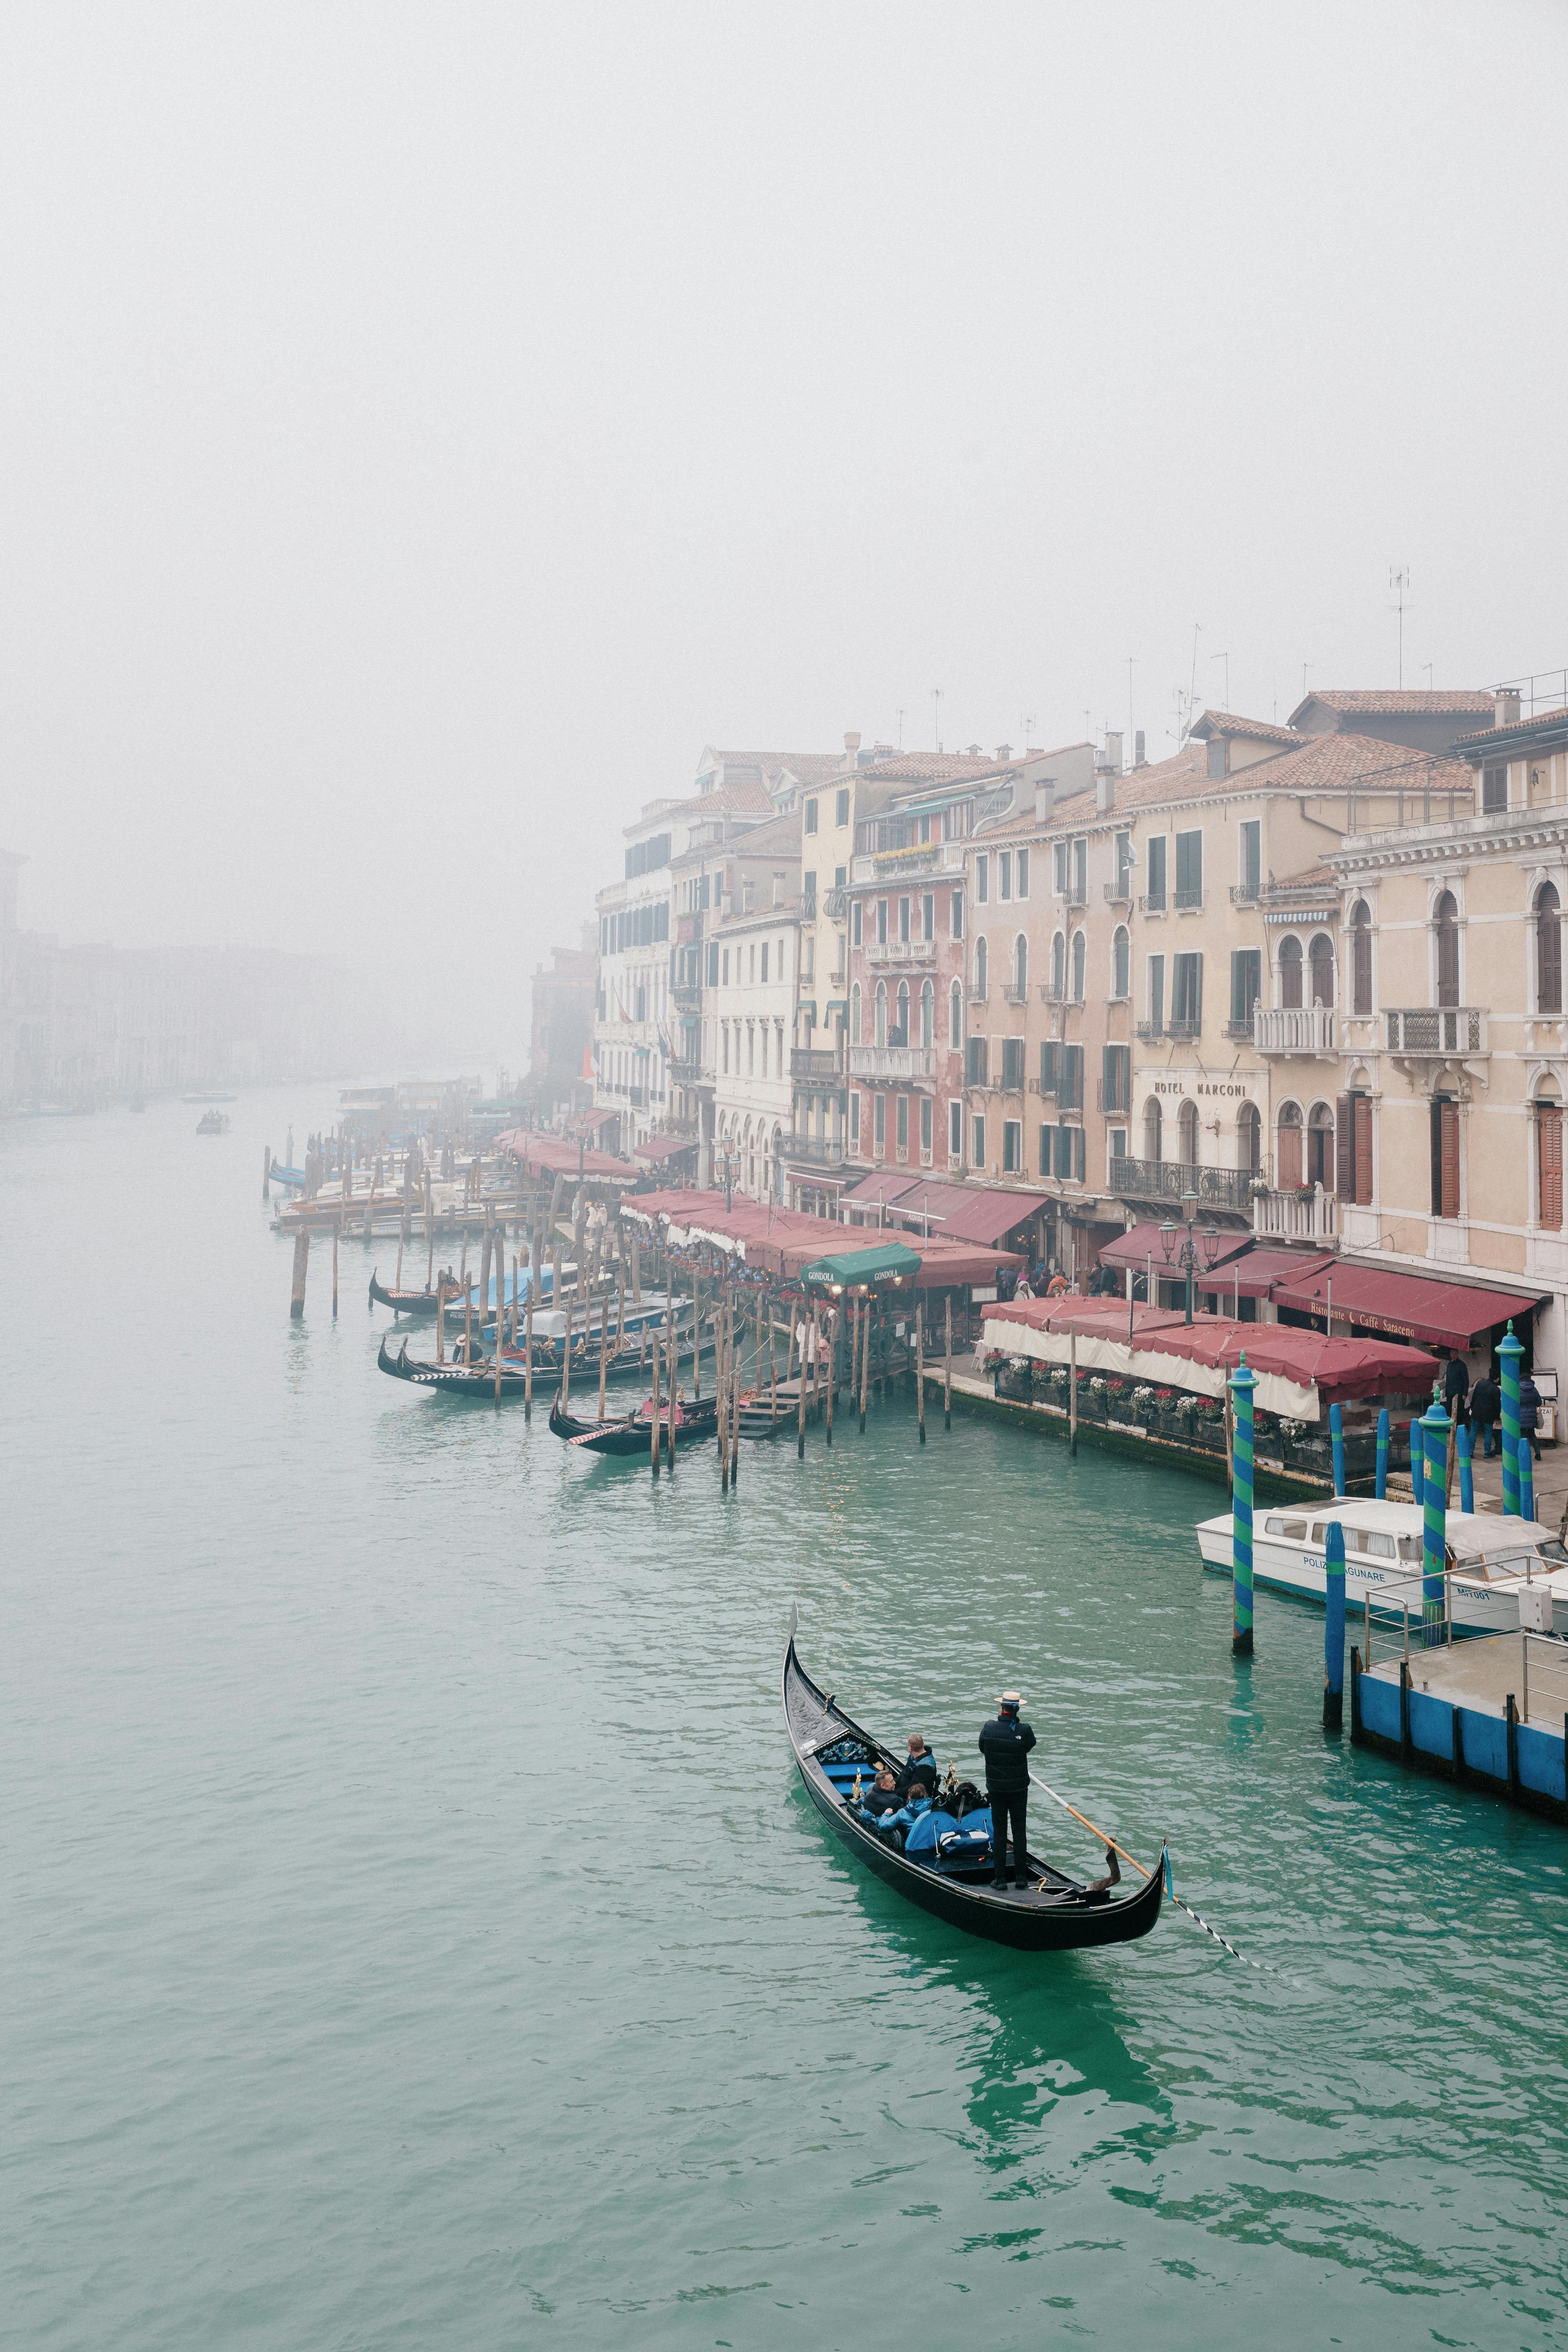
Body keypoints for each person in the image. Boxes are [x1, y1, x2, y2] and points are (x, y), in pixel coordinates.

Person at [978, 1689, 1036, 1890]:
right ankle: (1021, 1878)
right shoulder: (1024, 1730)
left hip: (997, 1790)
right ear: (1017, 1708)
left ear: (1001, 1707)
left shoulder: (989, 1728)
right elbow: (1029, 1746)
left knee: (1001, 1833)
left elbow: (982, 1748)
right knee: (1020, 1833)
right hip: (1019, 1789)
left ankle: (1000, 1879)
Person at [896, 1734, 939, 1800]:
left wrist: (894, 1792)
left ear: (910, 1748)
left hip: (912, 1798)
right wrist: (893, 1783)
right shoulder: (913, 1756)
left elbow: (913, 1789)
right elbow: (903, 1773)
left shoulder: (925, 1767)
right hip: (901, 1791)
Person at [1470, 1370, 1501, 1458]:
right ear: (1497, 1379)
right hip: (1488, 1414)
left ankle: (1470, 1451)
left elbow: (1474, 1396)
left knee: (1474, 1430)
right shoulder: (1496, 1390)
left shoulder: (1480, 1384)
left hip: (1477, 1411)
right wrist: (1496, 1416)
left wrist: (1472, 1408)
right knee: (1488, 1432)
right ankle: (1487, 1452)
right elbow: (1497, 1405)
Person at [1520, 1371, 1543, 1463]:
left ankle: (1524, 1455)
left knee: (1522, 1436)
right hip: (1532, 1416)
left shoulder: (1517, 1389)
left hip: (1521, 1416)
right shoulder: (1534, 1389)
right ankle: (1538, 1454)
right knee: (1533, 1435)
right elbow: (1539, 1403)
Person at [1442, 1351, 1470, 1425]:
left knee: (1459, 1412)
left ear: (1457, 1354)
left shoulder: (1462, 1365)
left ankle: (1458, 1426)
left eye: (1455, 1354)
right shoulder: (1449, 1365)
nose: (1453, 1356)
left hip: (1459, 1393)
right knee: (1449, 1410)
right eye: (1452, 1354)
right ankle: (1450, 1426)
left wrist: (1465, 1393)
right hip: (1449, 1392)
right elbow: (1448, 1379)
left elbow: (1466, 1380)